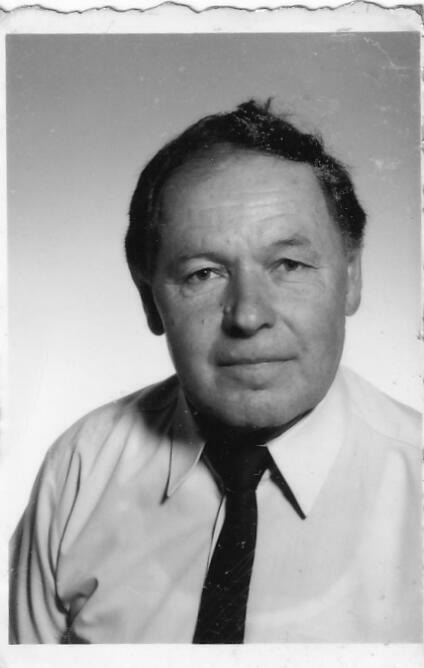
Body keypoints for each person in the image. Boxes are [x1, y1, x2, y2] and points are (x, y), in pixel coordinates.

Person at [10, 100, 421, 644]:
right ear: (149, 297)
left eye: (289, 265)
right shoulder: (80, 469)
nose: (248, 315)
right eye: (203, 273)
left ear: (352, 276)